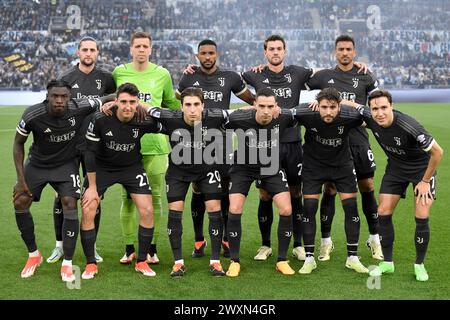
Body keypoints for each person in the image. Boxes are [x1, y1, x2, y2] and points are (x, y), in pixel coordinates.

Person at [12, 79, 110, 282]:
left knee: (69, 203)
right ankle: (33, 255)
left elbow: (107, 98)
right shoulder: (32, 114)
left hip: (65, 165)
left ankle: (67, 262)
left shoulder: (80, 107)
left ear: (70, 98)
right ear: (47, 97)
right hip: (38, 164)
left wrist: (120, 103)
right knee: (20, 201)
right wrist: (21, 179)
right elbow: (18, 144)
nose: (59, 100)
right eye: (54, 96)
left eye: (63, 97)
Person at [349, 90, 443, 281]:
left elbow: (438, 152)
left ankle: (419, 265)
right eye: (375, 109)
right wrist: (325, 102)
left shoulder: (408, 125)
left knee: (421, 214)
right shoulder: (370, 116)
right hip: (396, 169)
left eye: (384, 107)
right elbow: (352, 105)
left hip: (422, 170)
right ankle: (387, 263)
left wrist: (425, 181)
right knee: (383, 211)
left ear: (391, 106)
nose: (380, 113)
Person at [305, 35, 382, 262]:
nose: (345, 53)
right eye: (341, 49)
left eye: (349, 49)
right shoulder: (324, 76)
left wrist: (354, 106)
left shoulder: (365, 76)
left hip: (357, 139)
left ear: (354, 52)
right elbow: (297, 85)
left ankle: (374, 238)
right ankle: (326, 242)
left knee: (367, 185)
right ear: (335, 52)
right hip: (331, 141)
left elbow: (377, 106)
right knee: (330, 188)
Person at [176, 39, 255, 259]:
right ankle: (199, 239)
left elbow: (250, 99)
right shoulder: (189, 76)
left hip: (222, 142)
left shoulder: (229, 77)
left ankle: (226, 239)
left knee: (225, 189)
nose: (207, 57)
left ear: (217, 54)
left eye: (211, 53)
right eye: (203, 53)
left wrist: (266, 107)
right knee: (198, 190)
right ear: (197, 56)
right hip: (194, 142)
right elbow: (179, 99)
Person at [241, 34, 313, 262]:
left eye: (279, 48)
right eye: (271, 49)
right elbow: (235, 81)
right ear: (265, 52)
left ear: (285, 51)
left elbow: (326, 78)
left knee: (295, 193)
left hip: (292, 143)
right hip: (267, 143)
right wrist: (256, 106)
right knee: (265, 194)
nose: (275, 52)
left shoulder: (298, 73)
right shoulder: (255, 74)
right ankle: (265, 245)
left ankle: (298, 245)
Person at [80, 83, 162, 279]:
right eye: (123, 101)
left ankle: (141, 261)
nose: (127, 106)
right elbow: (89, 153)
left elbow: (168, 125)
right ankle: (91, 263)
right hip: (102, 169)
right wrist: (91, 187)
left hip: (131, 168)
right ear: (115, 101)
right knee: (88, 207)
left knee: (148, 210)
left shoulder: (143, 119)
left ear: (137, 103)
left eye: (132, 102)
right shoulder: (100, 119)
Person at [112, 32, 181, 265]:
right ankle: (129, 247)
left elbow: (172, 105)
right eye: (137, 46)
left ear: (151, 49)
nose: (141, 50)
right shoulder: (119, 73)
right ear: (130, 49)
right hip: (126, 147)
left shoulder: (162, 74)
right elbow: (113, 102)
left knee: (155, 198)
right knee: (127, 198)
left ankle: (151, 248)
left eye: (145, 46)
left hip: (155, 146)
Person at [46, 36, 116, 264]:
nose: (88, 53)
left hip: (96, 146)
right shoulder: (66, 78)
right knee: (61, 196)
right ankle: (59, 246)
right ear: (78, 52)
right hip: (69, 146)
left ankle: (91, 246)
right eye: (84, 49)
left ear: (97, 53)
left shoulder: (106, 78)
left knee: (94, 197)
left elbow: (114, 103)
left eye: (92, 50)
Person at [147, 87, 230, 277]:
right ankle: (178, 263)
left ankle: (215, 261)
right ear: (181, 107)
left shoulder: (216, 117)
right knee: (175, 212)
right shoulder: (169, 117)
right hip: (178, 173)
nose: (192, 109)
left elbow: (240, 113)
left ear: (203, 106)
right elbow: (146, 108)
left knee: (214, 210)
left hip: (207, 170)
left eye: (196, 105)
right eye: (188, 105)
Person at [292, 88, 369, 275]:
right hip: (313, 167)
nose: (328, 111)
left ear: (339, 106)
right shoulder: (305, 112)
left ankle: (352, 257)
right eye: (324, 107)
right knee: (309, 209)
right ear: (317, 105)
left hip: (342, 166)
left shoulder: (349, 115)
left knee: (351, 209)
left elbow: (373, 115)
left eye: (332, 107)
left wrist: (353, 105)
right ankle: (309, 258)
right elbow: (279, 114)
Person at [224, 88, 297, 277]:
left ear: (276, 107)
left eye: (270, 106)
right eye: (262, 106)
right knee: (235, 208)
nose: (266, 111)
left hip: (271, 167)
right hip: (243, 168)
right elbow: (214, 117)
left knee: (286, 209)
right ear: (254, 104)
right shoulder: (239, 118)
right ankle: (234, 261)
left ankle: (282, 260)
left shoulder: (284, 117)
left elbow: (309, 113)